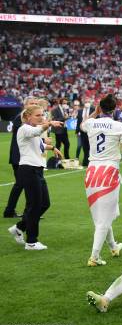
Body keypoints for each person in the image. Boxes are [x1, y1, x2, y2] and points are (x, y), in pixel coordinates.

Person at [81, 94, 122, 267]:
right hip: (109, 172)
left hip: (91, 172)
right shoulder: (119, 126)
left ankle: (113, 246)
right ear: (115, 109)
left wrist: (94, 112)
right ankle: (94, 256)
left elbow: (82, 124)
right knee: (103, 219)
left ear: (100, 108)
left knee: (101, 215)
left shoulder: (91, 123)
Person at [7, 104, 63, 250]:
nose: (41, 117)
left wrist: (52, 148)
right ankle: (31, 242)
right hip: (28, 170)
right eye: (38, 115)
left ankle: (19, 227)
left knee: (44, 204)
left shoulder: (32, 131)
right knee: (34, 205)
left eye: (42, 115)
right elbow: (36, 131)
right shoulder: (24, 128)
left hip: (36, 170)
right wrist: (49, 123)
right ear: (28, 117)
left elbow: (39, 145)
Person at [4, 96, 39, 218]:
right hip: (19, 157)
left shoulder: (30, 119)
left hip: (26, 157)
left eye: (36, 103)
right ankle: (25, 211)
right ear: (25, 105)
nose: (34, 104)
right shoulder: (20, 118)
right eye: (31, 103)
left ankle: (13, 211)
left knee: (22, 184)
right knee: (21, 184)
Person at [77, 99, 95, 167]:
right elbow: (78, 121)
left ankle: (91, 160)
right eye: (86, 102)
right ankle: (85, 161)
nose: (87, 103)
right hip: (82, 131)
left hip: (91, 131)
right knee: (84, 147)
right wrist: (77, 130)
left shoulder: (93, 110)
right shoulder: (80, 111)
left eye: (88, 101)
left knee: (91, 146)